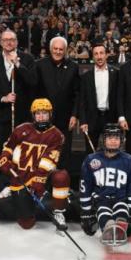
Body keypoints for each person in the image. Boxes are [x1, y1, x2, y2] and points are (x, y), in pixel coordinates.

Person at [0, 98, 71, 230]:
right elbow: (8, 147)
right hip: (21, 176)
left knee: (61, 176)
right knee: (26, 224)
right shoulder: (21, 129)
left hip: (43, 175)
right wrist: (4, 160)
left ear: (50, 115)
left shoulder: (57, 135)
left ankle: (59, 212)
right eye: (38, 113)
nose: (41, 117)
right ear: (33, 115)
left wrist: (39, 180)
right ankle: (11, 189)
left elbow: (49, 160)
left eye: (44, 113)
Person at [79, 124, 131, 245]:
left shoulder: (129, 160)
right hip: (100, 200)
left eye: (116, 138)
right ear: (103, 140)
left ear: (121, 141)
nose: (113, 141)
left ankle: (121, 225)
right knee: (103, 212)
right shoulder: (91, 160)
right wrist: (86, 211)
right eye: (110, 138)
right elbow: (85, 186)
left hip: (121, 199)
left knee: (122, 211)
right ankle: (108, 226)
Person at [0, 29, 37, 150]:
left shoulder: (27, 59)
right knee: (6, 148)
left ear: (17, 42)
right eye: (6, 40)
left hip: (23, 114)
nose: (9, 43)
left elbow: (33, 81)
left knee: (23, 149)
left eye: (12, 40)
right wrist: (3, 98)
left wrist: (18, 64)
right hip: (1, 114)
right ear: (1, 42)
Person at [34, 36, 80, 170]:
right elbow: (34, 91)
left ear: (65, 50)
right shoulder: (39, 65)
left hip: (65, 119)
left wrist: (74, 115)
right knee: (43, 152)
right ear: (50, 49)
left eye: (61, 49)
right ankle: (42, 184)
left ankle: (62, 182)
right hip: (43, 118)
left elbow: (77, 93)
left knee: (64, 152)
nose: (58, 52)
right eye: (55, 49)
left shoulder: (73, 66)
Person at [79, 43, 120, 149]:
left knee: (112, 151)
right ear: (93, 57)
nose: (99, 56)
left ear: (106, 55)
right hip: (92, 119)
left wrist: (121, 117)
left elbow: (120, 98)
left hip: (111, 118)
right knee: (91, 152)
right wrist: (83, 121)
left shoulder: (116, 73)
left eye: (101, 53)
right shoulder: (86, 76)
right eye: (96, 54)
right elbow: (82, 101)